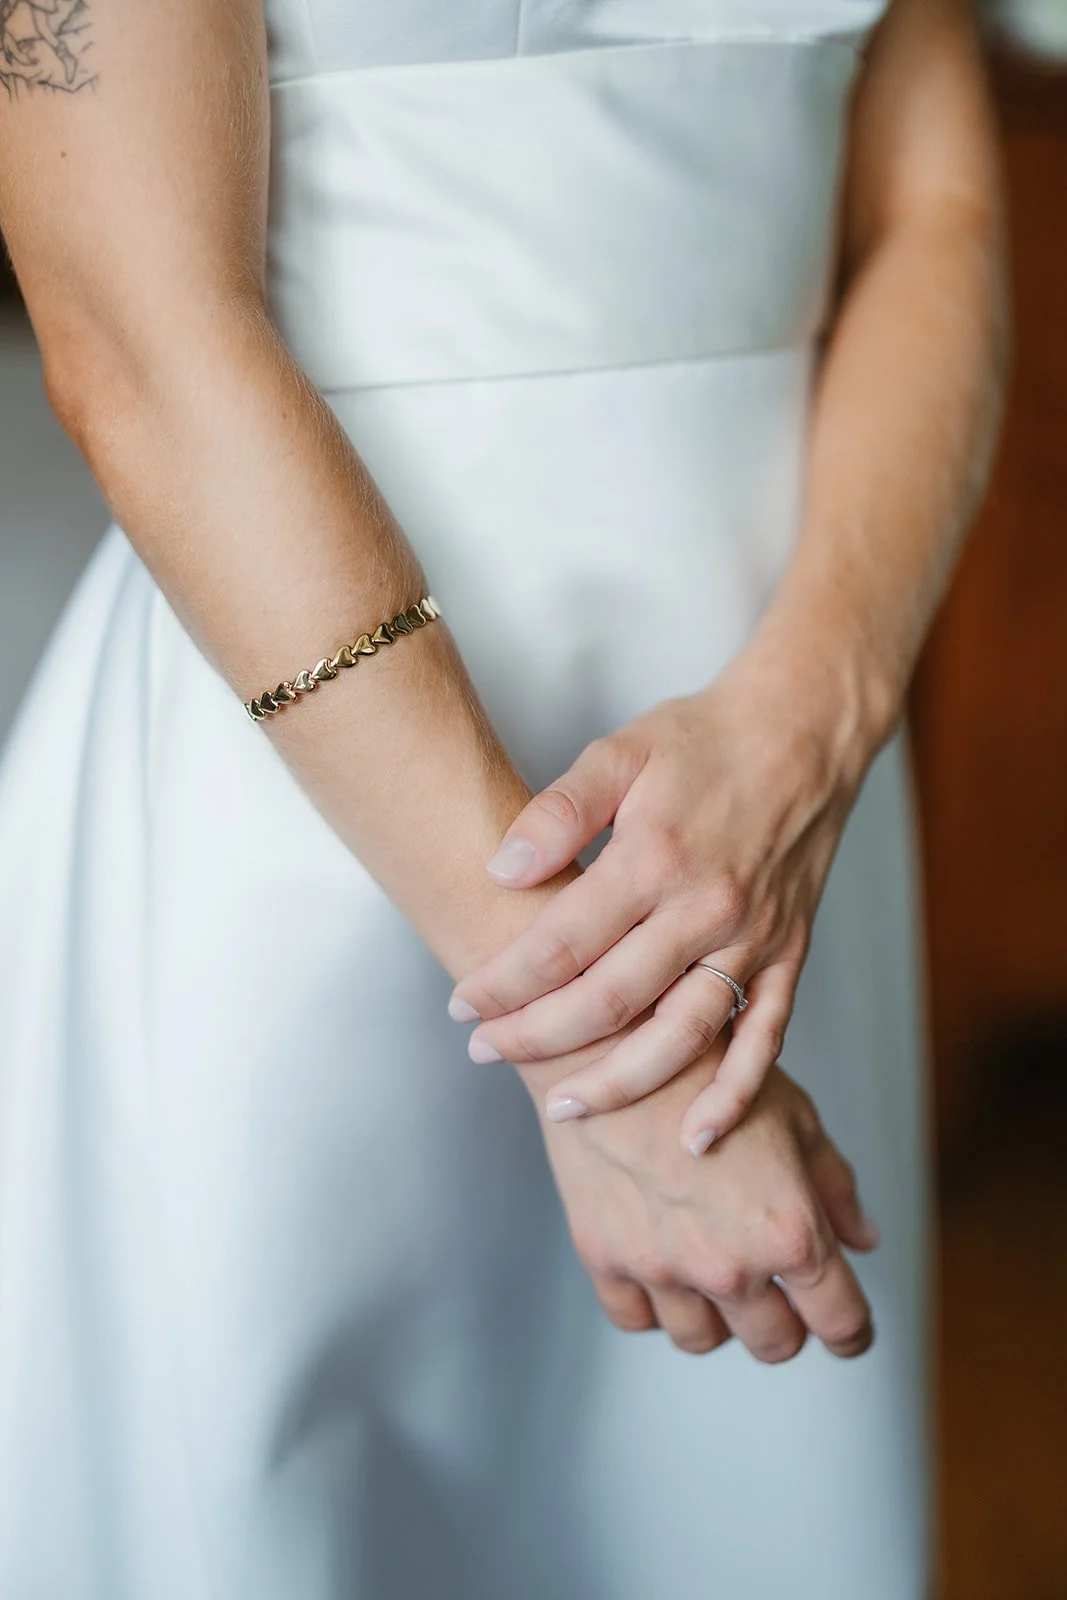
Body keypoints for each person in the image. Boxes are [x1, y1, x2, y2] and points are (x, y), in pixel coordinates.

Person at [0, 2, 1004, 1596]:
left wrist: (812, 716)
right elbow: (135, 333)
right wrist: (613, 1054)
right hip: (314, 789)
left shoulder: (789, 768)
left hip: (767, 803)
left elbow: (932, 209)